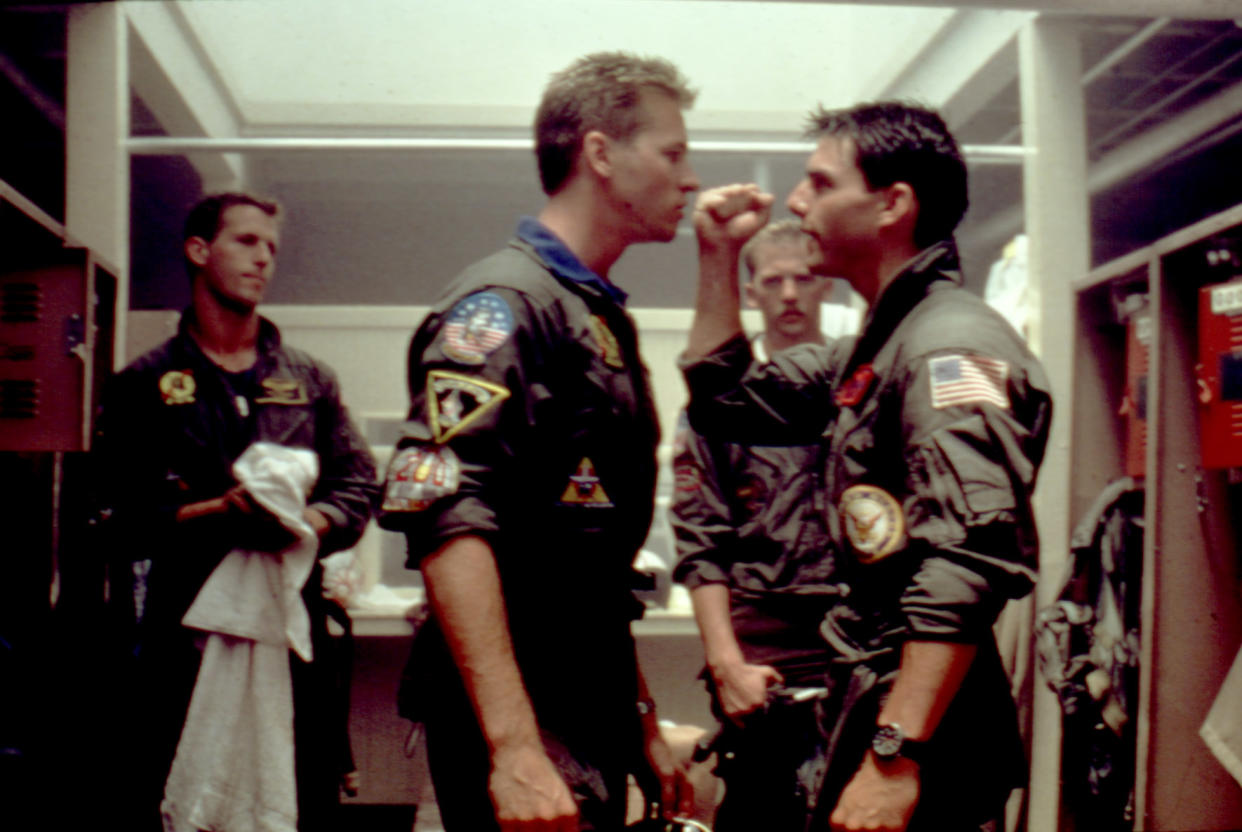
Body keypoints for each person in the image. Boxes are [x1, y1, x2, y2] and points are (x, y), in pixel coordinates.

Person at [682, 102, 1053, 831]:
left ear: (893, 204)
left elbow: (967, 561)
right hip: (876, 702)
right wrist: (718, 258)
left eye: (819, 183)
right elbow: (725, 399)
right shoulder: (879, 346)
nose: (795, 201)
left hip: (920, 733)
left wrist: (893, 757)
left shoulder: (948, 348)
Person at [378, 52, 699, 831]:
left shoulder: (589, 311)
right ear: (599, 154)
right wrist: (516, 748)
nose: (689, 179)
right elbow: (449, 517)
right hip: (524, 719)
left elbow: (591, 571)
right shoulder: (506, 306)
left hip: (580, 705)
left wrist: (641, 721)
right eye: (673, 153)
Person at [95, 192, 377, 831]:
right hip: (183, 644)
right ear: (199, 250)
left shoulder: (309, 382)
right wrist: (215, 514)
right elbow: (111, 518)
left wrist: (309, 525)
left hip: (292, 637)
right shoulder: (145, 383)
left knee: (297, 804)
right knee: (188, 805)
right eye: (246, 242)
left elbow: (360, 487)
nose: (263, 260)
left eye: (271, 248)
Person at [670, 218, 841, 829]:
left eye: (806, 277)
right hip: (761, 650)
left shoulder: (861, 390)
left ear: (828, 287)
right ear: (750, 293)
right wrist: (726, 663)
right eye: (774, 280)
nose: (790, 294)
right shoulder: (720, 405)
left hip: (852, 640)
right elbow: (699, 544)